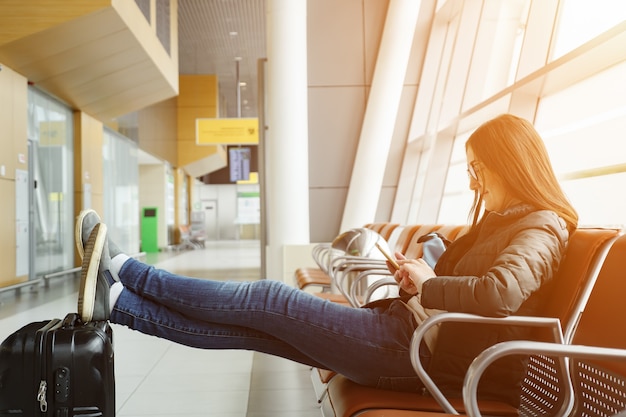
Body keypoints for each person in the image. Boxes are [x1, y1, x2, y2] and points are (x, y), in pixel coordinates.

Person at [76, 113, 577, 406]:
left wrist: (426, 285)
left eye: (478, 169)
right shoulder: (503, 220)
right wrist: (414, 278)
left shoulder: (544, 225)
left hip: (420, 356)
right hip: (410, 336)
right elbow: (466, 286)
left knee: (266, 298)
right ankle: (118, 304)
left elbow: (501, 293)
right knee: (258, 329)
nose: (472, 182)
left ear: (512, 164)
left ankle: (126, 271)